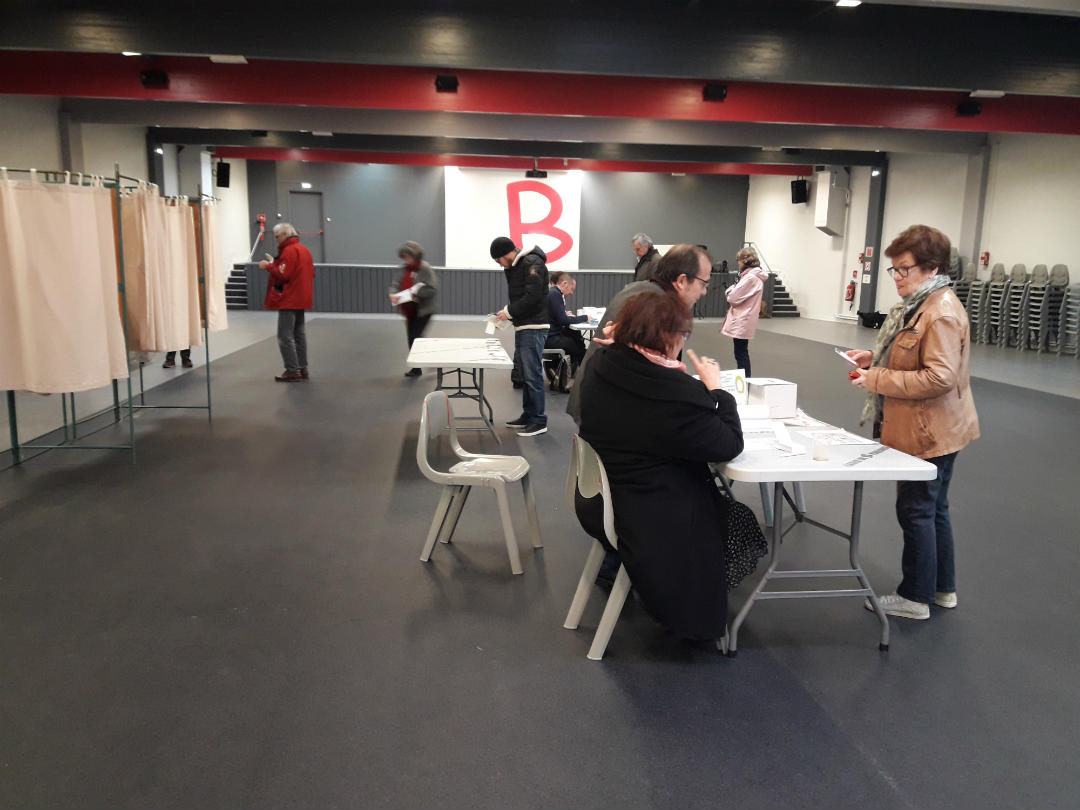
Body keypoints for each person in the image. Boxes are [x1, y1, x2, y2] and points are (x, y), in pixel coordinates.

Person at [578, 292, 743, 641]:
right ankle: (698, 612)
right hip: (650, 510)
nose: (684, 342)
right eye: (683, 334)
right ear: (668, 337)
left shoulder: (604, 363)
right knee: (727, 511)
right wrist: (717, 389)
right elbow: (728, 444)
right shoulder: (671, 391)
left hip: (600, 496)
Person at [847, 224, 980, 621]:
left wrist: (878, 379)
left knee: (917, 511)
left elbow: (940, 377)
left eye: (904, 269)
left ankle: (914, 597)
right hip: (939, 427)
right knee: (934, 509)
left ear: (931, 268)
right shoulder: (923, 304)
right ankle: (942, 589)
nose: (897, 278)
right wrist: (876, 359)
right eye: (895, 270)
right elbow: (916, 358)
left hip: (929, 431)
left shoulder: (939, 312)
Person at [568, 243, 713, 424]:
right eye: (704, 283)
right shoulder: (659, 310)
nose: (704, 291)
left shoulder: (640, 291)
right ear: (682, 280)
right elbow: (654, 385)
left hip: (595, 402)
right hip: (609, 417)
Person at [490, 236, 550, 437]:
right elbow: (523, 296)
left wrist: (508, 312)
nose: (499, 265)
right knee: (526, 374)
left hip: (534, 326)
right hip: (525, 325)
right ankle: (529, 415)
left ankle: (539, 420)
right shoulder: (518, 266)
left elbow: (533, 297)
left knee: (532, 375)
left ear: (506, 254)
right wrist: (508, 314)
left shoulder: (532, 263)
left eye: (498, 260)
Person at [258, 222, 315, 382]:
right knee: (299, 333)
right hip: (302, 297)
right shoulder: (304, 250)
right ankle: (302, 368)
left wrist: (268, 266)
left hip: (289, 298)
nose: (276, 240)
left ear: (285, 235)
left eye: (277, 237)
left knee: (285, 335)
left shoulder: (289, 251)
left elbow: (284, 275)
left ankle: (292, 370)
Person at [389, 240, 438, 378]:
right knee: (413, 338)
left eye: (407, 257)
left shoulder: (425, 268)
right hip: (410, 310)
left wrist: (415, 293)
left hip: (424, 310)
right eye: (403, 257)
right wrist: (393, 293)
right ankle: (417, 368)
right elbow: (395, 284)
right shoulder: (404, 269)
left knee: (416, 337)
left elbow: (432, 289)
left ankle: (424, 364)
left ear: (415, 256)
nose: (405, 260)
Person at [720, 246, 769, 377]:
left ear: (745, 261)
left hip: (742, 318)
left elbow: (733, 297)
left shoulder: (749, 278)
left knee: (740, 353)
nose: (738, 262)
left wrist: (729, 291)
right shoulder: (754, 276)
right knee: (741, 352)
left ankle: (745, 381)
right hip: (746, 317)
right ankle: (744, 380)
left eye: (739, 260)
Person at [544, 272, 588, 391]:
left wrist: (564, 314)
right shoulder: (555, 295)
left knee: (576, 337)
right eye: (571, 289)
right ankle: (571, 380)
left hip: (548, 334)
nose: (571, 293)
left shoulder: (553, 293)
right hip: (550, 338)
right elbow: (563, 320)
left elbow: (556, 315)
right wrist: (585, 318)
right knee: (577, 347)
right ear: (564, 284)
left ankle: (573, 374)